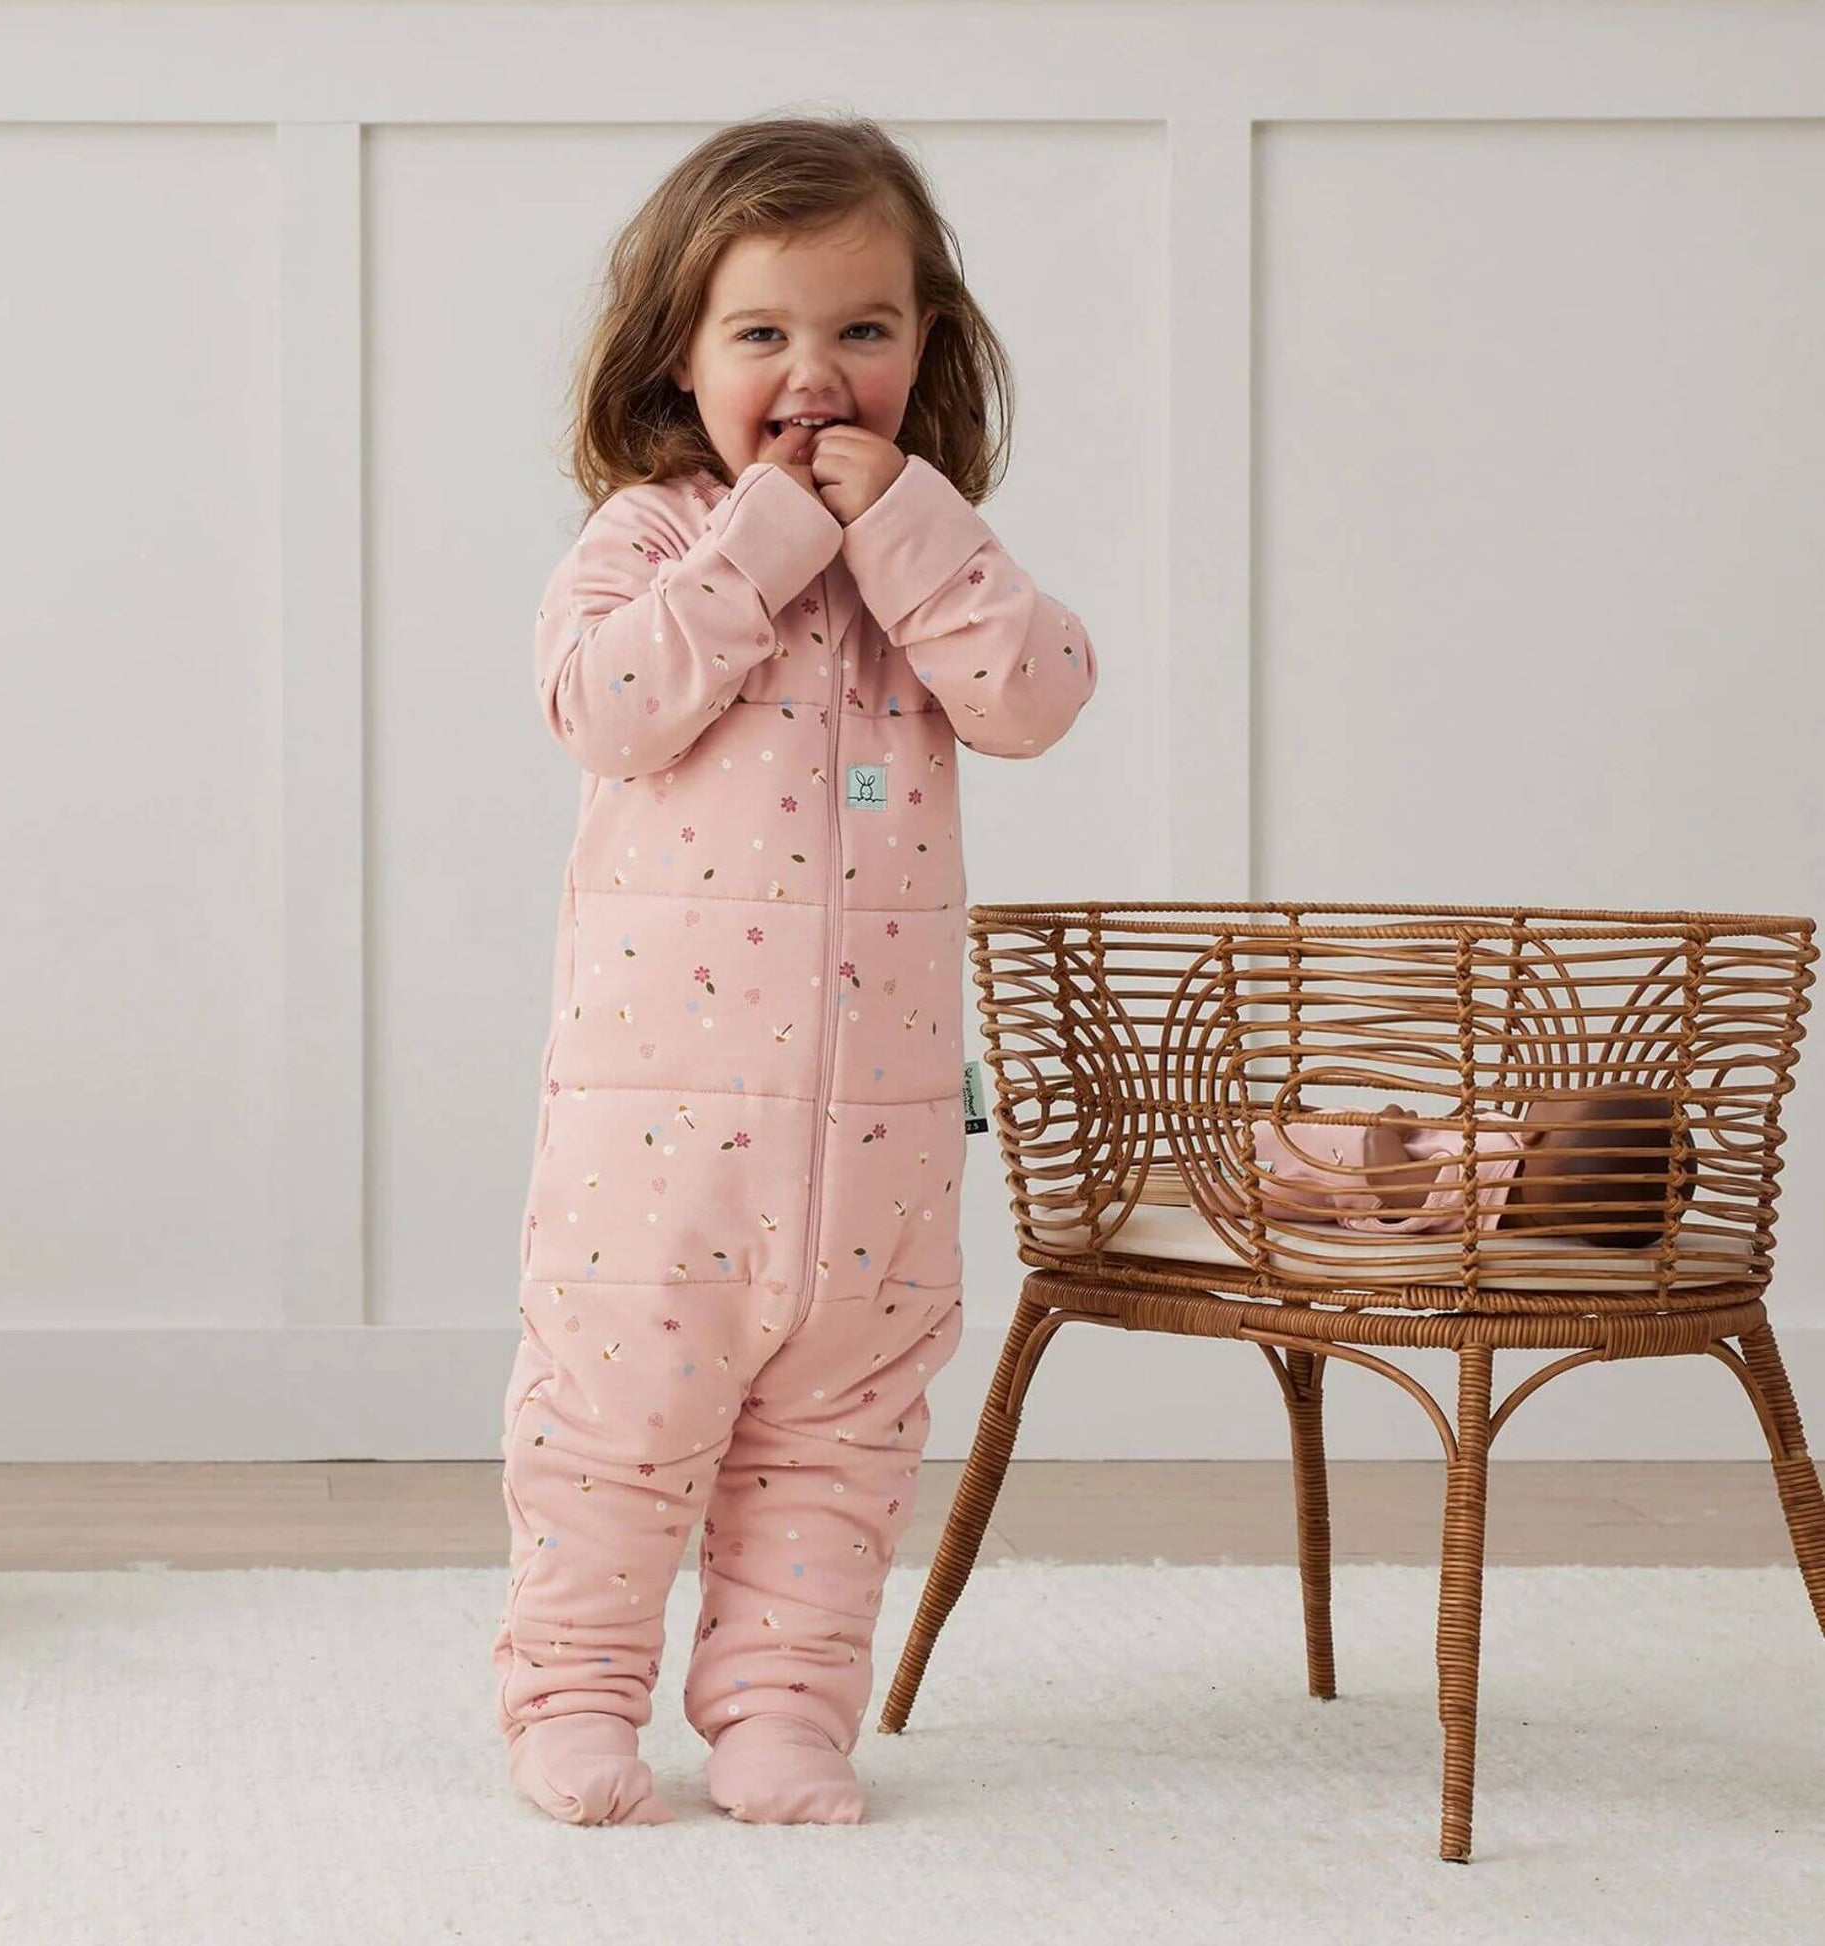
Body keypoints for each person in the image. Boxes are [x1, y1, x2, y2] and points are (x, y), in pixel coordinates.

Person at [492, 114, 1099, 1827]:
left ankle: (780, 1712)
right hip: (656, 1150)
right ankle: (572, 1695)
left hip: (884, 1150)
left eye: (862, 330)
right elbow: (602, 703)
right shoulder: (644, 540)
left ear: (927, 352)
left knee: (836, 1451)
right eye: (763, 333)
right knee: (615, 1434)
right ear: (681, 363)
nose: (813, 372)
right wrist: (756, 545)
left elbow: (1040, 693)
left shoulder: (931, 561)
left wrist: (904, 529)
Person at [1191, 1084, 1696, 1249]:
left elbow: (1389, 1187)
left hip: (1318, 1174)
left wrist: (1386, 1129)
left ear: (1545, 1134)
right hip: (1330, 1159)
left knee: (1242, 1169)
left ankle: (1214, 1177)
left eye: (1571, 1099)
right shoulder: (1508, 1175)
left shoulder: (1483, 1180)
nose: (1557, 1093)